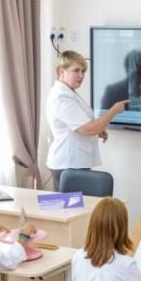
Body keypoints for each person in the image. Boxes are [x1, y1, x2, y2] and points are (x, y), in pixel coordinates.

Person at [45, 50, 129, 190]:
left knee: (79, 203)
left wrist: (98, 128)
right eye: (76, 70)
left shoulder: (68, 93)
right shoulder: (62, 97)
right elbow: (89, 129)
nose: (81, 75)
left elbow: (82, 123)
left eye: (83, 71)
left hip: (74, 163)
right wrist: (113, 111)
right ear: (61, 71)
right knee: (73, 204)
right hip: (68, 164)